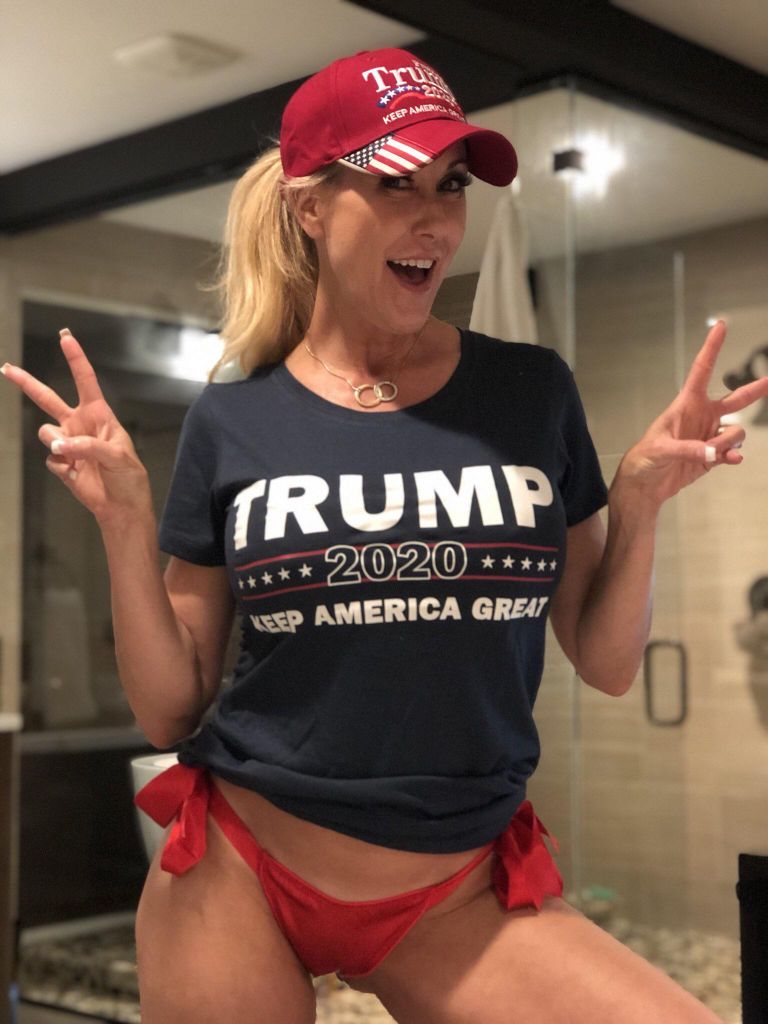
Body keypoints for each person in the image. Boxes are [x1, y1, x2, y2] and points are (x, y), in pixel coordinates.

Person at [3, 46, 763, 1024]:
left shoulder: (529, 393)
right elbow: (167, 710)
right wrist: (123, 523)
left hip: (457, 892)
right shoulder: (235, 419)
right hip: (242, 868)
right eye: (397, 183)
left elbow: (609, 663)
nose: (436, 219)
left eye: (452, 185)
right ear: (310, 207)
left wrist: (642, 500)